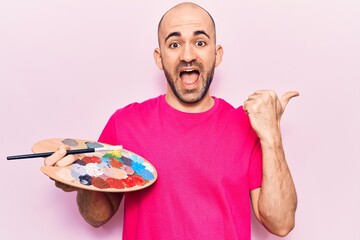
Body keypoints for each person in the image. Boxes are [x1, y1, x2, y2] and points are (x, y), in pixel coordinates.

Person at [45, 2, 298, 239]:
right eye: (174, 44)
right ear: (159, 57)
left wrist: (271, 135)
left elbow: (281, 223)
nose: (188, 55)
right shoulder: (125, 124)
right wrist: (78, 179)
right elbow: (97, 216)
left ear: (217, 54)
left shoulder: (246, 126)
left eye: (200, 42)